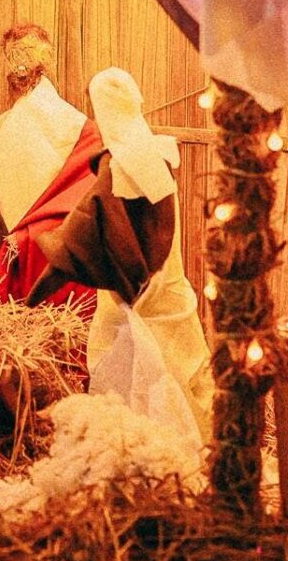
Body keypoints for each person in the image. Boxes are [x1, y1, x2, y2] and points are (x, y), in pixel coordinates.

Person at [27, 67, 214, 441]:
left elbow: (88, 227)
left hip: (136, 291)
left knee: (123, 365)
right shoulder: (155, 152)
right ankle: (197, 436)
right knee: (178, 358)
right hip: (168, 283)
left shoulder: (120, 166)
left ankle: (141, 440)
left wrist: (51, 255)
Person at [0, 24, 105, 311]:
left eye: (23, 54)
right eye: (15, 55)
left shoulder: (71, 127)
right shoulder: (2, 128)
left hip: (41, 248)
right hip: (31, 246)